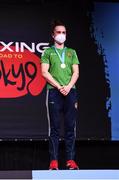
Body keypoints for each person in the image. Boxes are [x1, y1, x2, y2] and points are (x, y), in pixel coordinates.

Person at [41, 19, 80, 170]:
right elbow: (44, 72)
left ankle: (70, 160)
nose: (61, 35)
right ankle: (54, 161)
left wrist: (69, 87)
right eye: (58, 32)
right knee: (55, 128)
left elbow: (76, 72)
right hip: (54, 92)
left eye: (63, 32)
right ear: (53, 35)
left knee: (71, 127)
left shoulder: (72, 52)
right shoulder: (48, 52)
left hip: (71, 92)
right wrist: (59, 86)